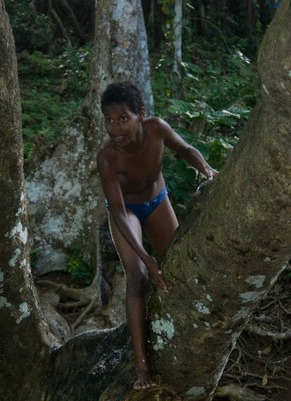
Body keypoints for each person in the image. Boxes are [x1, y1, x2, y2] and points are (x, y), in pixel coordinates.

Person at [96, 82, 218, 389]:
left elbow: (186, 149)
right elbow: (119, 211)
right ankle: (142, 368)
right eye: (109, 120)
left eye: (123, 118)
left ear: (140, 115)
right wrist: (144, 256)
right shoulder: (108, 158)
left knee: (177, 267)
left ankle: (187, 335)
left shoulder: (157, 129)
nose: (116, 128)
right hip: (126, 214)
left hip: (157, 201)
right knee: (138, 277)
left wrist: (207, 169)